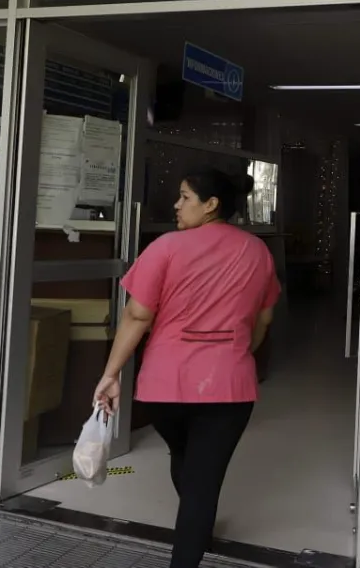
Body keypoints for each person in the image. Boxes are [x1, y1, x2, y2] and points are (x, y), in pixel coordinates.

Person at [93, 167, 279, 568]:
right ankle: (196, 527)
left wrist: (111, 374)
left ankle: (195, 530)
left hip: (165, 386)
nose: (176, 206)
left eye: (185, 198)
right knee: (202, 478)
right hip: (229, 386)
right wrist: (239, 355)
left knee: (186, 458)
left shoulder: (166, 248)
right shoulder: (257, 252)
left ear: (211, 205)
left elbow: (137, 316)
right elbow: (263, 321)